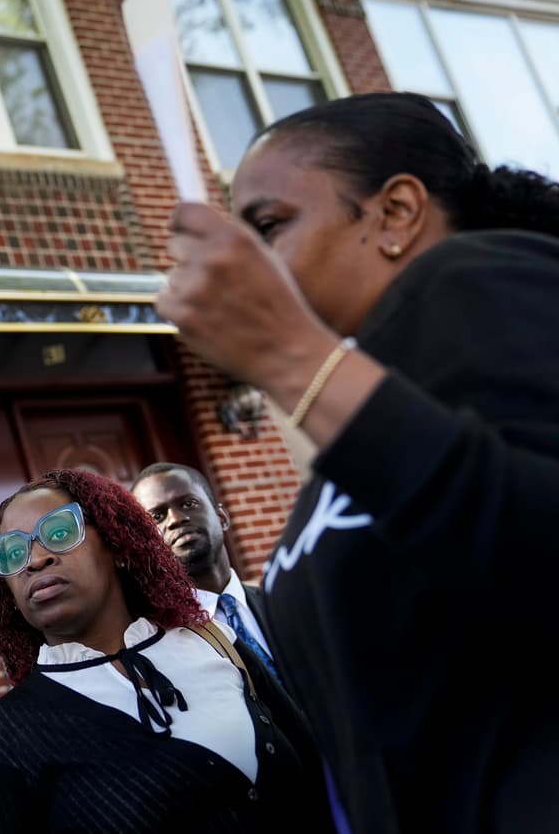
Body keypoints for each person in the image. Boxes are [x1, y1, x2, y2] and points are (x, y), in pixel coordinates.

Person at [160, 91, 559, 833]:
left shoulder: (479, 278)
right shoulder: (358, 427)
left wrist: (289, 356)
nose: (246, 260)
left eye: (269, 226)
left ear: (396, 211)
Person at [0, 468, 330, 832]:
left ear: (116, 544)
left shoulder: (214, 641)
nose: (34, 559)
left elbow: (319, 775)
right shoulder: (11, 731)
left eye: (60, 532)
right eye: (11, 552)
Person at [131, 462, 277, 676]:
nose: (176, 519)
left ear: (222, 517)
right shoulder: (157, 641)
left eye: (189, 504)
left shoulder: (278, 602)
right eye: (157, 517)